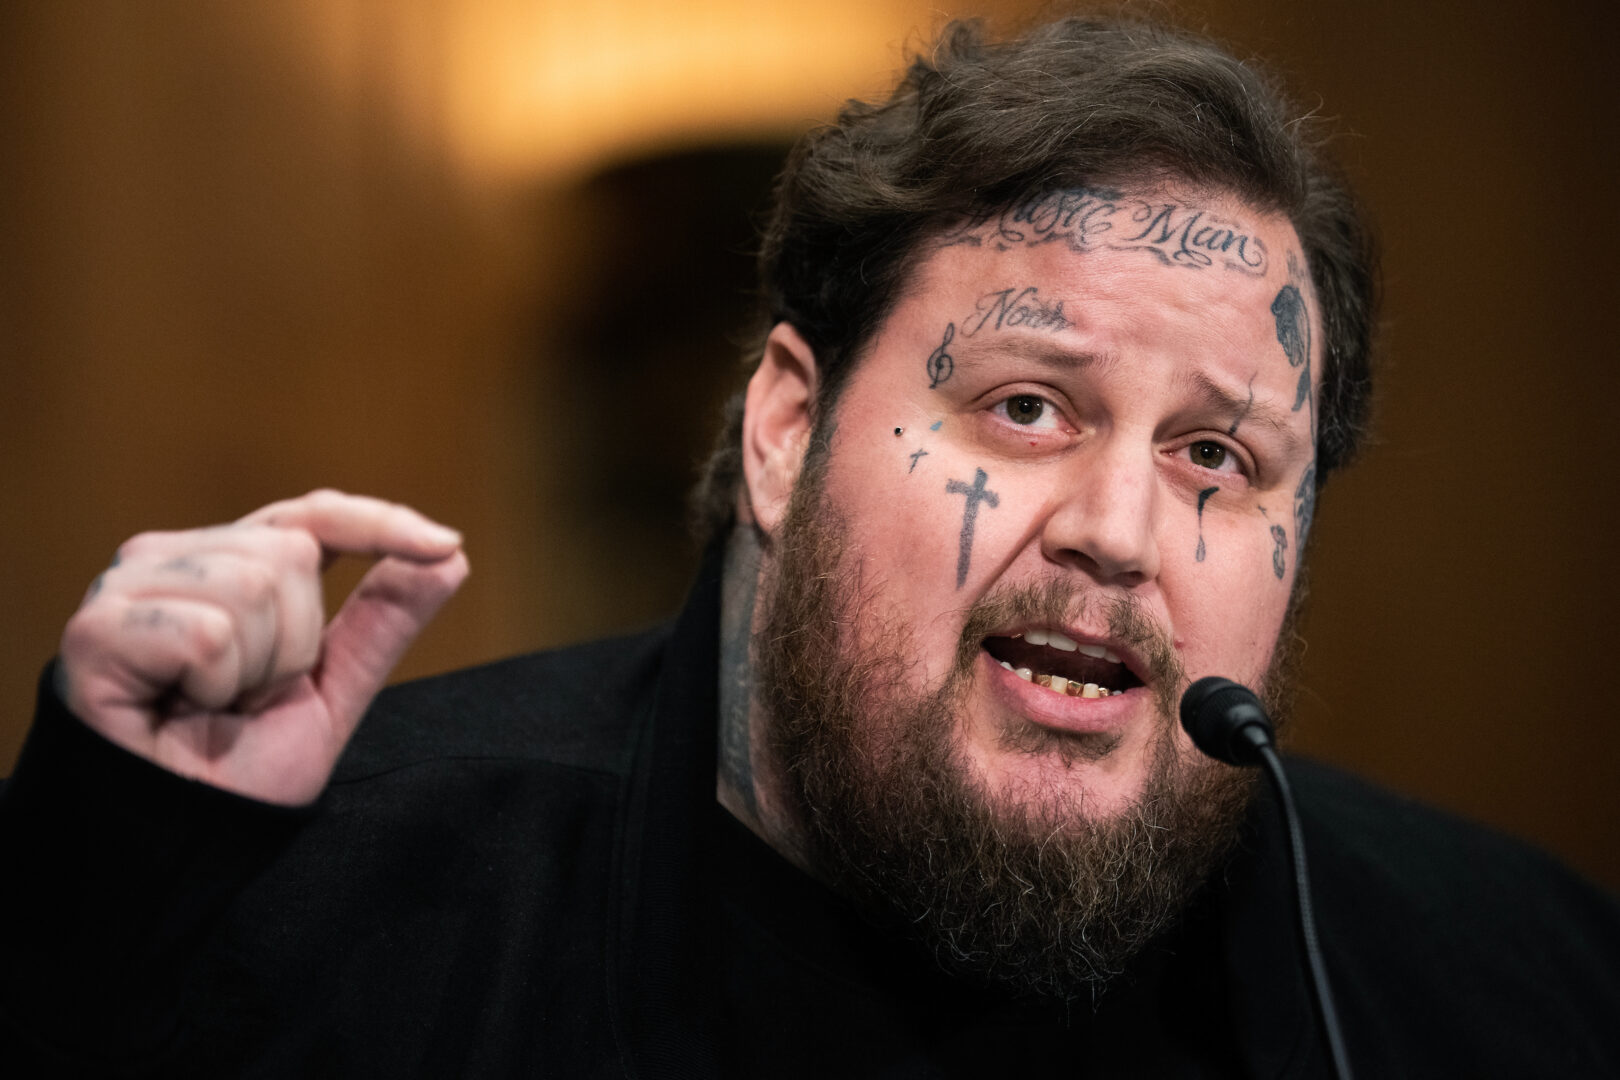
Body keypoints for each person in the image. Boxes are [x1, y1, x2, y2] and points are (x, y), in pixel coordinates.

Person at [3, 13, 1617, 1079]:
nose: (1124, 533)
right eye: (1030, 408)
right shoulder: (331, 915)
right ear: (786, 431)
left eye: (1218, 457)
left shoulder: (1509, 978)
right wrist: (95, 903)